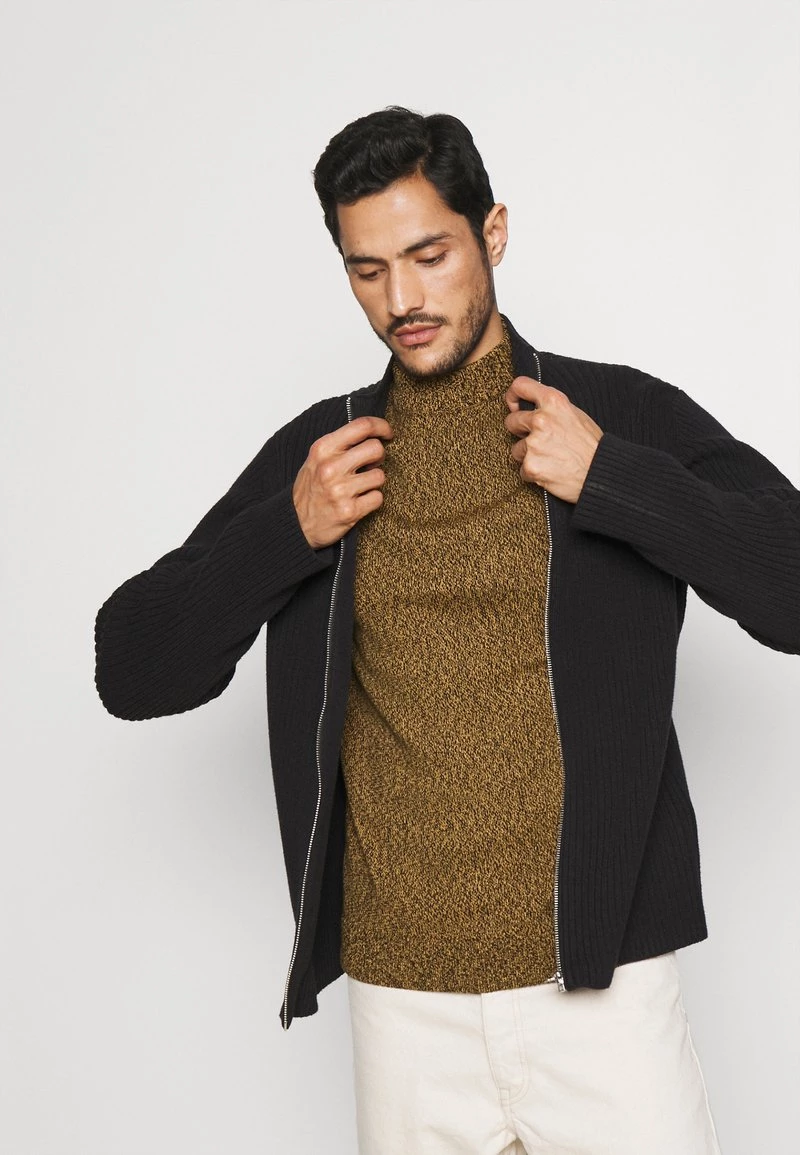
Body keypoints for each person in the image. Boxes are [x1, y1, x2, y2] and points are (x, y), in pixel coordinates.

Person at [94, 105, 800, 1154]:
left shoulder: (619, 418)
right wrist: (284, 533)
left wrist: (616, 481)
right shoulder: (322, 455)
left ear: (493, 233)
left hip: (602, 995)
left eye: (429, 256)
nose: (403, 301)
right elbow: (132, 668)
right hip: (405, 1015)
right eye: (367, 269)